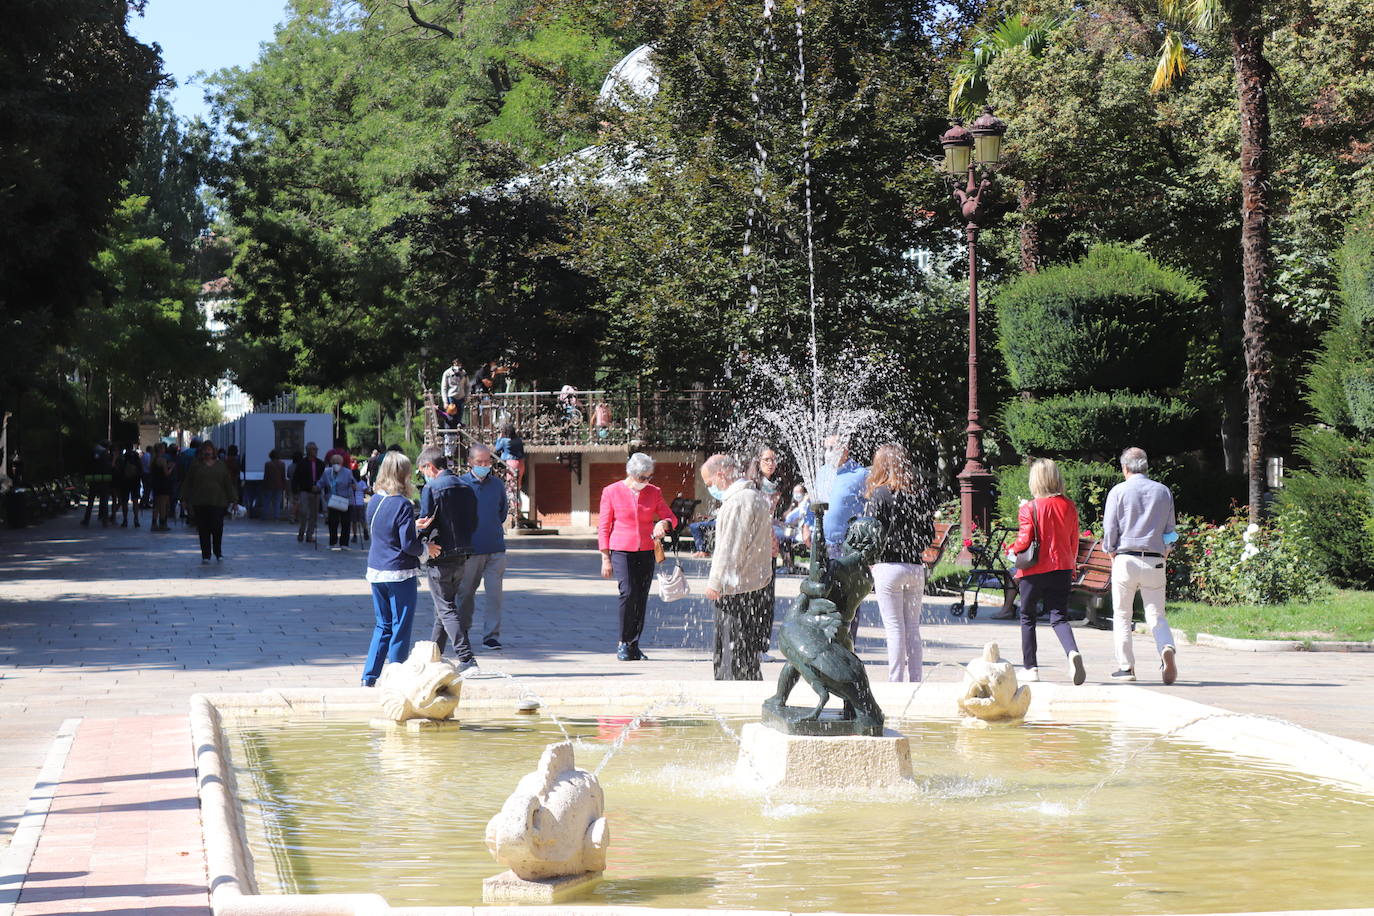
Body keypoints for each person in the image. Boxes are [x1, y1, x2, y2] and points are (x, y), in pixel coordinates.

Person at [361, 451, 439, 687]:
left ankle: (369, 677)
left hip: (376, 570)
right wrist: (427, 549)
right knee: (401, 626)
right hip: (398, 572)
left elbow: (385, 530)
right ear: (402, 475)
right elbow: (408, 545)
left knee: (382, 626)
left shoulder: (375, 499)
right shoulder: (403, 504)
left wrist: (411, 525)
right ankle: (397, 677)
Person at [1005, 458, 1086, 685]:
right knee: (1059, 617)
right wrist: (1071, 566)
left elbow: (1023, 542)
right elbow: (1073, 542)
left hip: (1034, 571)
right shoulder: (1069, 506)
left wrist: (1009, 550)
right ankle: (1072, 653)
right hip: (1062, 567)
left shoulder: (1029, 508)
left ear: (1035, 480)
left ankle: (1031, 669)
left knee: (1027, 616)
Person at [1102, 446, 1179, 685]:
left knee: (1123, 614)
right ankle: (1166, 647)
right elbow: (1170, 532)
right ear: (1145, 467)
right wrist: (1165, 552)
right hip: (1155, 559)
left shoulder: (1118, 491)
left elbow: (1110, 530)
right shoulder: (1163, 491)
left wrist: (1111, 550)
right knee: (1157, 614)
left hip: (1126, 558)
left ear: (1125, 468)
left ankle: (1127, 667)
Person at [863, 443, 935, 682]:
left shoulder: (879, 494)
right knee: (913, 628)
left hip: (888, 567)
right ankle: (916, 680)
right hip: (915, 567)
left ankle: (895, 682)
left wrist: (871, 558)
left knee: (894, 628)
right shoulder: (919, 494)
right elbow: (927, 535)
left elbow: (873, 533)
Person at [598, 452, 677, 661]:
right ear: (631, 474)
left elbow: (671, 518)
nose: (646, 481)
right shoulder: (611, 492)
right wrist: (605, 557)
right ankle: (623, 642)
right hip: (621, 549)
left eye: (649, 477)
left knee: (641, 597)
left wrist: (663, 523)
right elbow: (604, 526)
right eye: (642, 477)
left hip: (646, 549)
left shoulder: (654, 492)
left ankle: (634, 645)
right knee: (628, 592)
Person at [701, 454, 773, 680]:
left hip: (735, 588)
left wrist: (715, 583)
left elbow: (730, 549)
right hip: (755, 584)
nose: (710, 488)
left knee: (731, 655)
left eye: (710, 483)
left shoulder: (738, 501)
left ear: (721, 474)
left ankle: (732, 698)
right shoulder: (755, 496)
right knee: (747, 652)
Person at [415, 446, 478, 674]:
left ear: (429, 467)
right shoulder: (466, 486)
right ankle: (434, 657)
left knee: (446, 607)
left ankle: (467, 658)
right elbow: (474, 521)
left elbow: (426, 520)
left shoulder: (431, 487)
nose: (423, 474)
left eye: (422, 470)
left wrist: (418, 543)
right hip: (462, 553)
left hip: (439, 553)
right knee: (442, 609)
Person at [456, 443, 509, 650]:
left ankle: (491, 635)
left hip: (495, 548)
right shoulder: (460, 485)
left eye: (488, 462)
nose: (485, 465)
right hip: (470, 550)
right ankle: (463, 631)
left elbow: (502, 512)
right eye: (480, 462)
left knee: (495, 595)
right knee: (466, 593)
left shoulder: (497, 485)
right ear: (470, 462)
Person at [746, 446, 786, 658]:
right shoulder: (751, 487)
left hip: (769, 547)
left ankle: (761, 646)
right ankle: (750, 644)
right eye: (767, 459)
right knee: (754, 596)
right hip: (755, 548)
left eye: (774, 459)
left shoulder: (773, 487)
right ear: (758, 462)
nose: (771, 463)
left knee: (767, 599)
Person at [814, 434, 869, 559]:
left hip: (845, 545)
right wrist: (806, 526)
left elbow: (870, 508)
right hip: (820, 541)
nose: (828, 453)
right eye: (825, 449)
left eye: (832, 448)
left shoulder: (860, 474)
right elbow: (814, 501)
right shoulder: (821, 472)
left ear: (845, 449)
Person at [181, 441, 237, 563]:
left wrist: (234, 500)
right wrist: (184, 499)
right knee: (203, 529)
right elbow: (188, 482)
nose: (207, 452)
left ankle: (218, 551)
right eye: (205, 449)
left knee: (217, 527)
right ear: (202, 451)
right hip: (200, 501)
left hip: (218, 501)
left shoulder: (221, 465)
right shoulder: (196, 465)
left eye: (210, 449)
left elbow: (228, 483)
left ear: (213, 451)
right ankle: (206, 554)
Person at [292, 443, 327, 543]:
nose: (315, 451)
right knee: (303, 512)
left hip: (316, 492)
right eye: (313, 449)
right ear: (308, 451)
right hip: (304, 491)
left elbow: (324, 478)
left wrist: (320, 487)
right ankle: (301, 532)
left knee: (314, 514)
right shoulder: (302, 463)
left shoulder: (320, 463)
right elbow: (296, 478)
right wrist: (295, 492)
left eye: (316, 449)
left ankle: (309, 535)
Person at [322, 454, 354, 550]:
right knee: (333, 522)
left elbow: (353, 483)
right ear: (331, 463)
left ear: (342, 463)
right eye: (334, 462)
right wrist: (316, 487)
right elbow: (322, 482)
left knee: (346, 522)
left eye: (338, 463)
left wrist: (353, 486)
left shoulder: (347, 472)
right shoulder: (327, 472)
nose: (336, 464)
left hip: (344, 500)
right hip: (332, 499)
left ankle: (344, 543)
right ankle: (332, 542)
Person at [778, 485, 811, 573]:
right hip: (794, 531)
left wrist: (789, 524)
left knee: (784, 540)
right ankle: (788, 565)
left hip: (801, 532)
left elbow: (801, 519)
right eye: (795, 492)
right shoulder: (794, 506)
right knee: (782, 538)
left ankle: (789, 566)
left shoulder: (805, 505)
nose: (796, 494)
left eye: (799, 492)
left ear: (804, 493)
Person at [81, 441, 114, 527]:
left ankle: (86, 519)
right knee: (104, 501)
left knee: (91, 501)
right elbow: (109, 467)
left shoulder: (92, 452)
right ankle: (105, 521)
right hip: (104, 480)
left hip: (93, 479)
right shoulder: (106, 454)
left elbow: (87, 465)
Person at [115, 444, 143, 528]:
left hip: (125, 482)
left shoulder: (122, 458)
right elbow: (140, 469)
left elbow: (119, 470)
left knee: (124, 501)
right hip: (135, 481)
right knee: (135, 501)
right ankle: (136, 519)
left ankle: (125, 520)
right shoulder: (136, 457)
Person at [150, 442, 174, 531]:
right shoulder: (163, 460)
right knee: (163, 505)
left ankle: (154, 524)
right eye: (163, 448)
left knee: (156, 505)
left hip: (156, 483)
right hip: (164, 484)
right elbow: (166, 474)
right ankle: (163, 524)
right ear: (161, 450)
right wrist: (171, 468)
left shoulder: (153, 459)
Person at [262, 450, 287, 521]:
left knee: (267, 501)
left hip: (269, 485)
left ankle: (265, 516)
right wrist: (284, 485)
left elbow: (266, 476)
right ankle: (276, 516)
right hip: (279, 485)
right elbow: (283, 476)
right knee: (277, 501)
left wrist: (264, 485)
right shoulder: (282, 464)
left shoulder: (267, 464)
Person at [440, 359, 468, 423]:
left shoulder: (464, 373)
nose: (458, 365)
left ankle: (458, 431)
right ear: (453, 364)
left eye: (459, 364)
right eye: (456, 364)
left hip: (461, 397)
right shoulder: (447, 373)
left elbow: (467, 386)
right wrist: (445, 402)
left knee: (459, 418)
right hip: (451, 397)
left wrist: (467, 396)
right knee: (450, 418)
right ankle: (450, 432)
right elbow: (444, 388)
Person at [350, 463, 369, 542]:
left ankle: (355, 535)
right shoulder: (362, 483)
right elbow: (366, 490)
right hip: (360, 503)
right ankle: (364, 530)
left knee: (354, 521)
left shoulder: (352, 483)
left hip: (354, 504)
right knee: (362, 520)